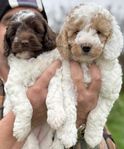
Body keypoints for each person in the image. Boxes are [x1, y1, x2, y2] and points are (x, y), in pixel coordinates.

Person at [0, 0, 116, 149]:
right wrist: (31, 115)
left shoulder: (65, 72)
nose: (24, 36)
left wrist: (80, 119)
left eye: (34, 27)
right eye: (10, 20)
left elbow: (109, 145)